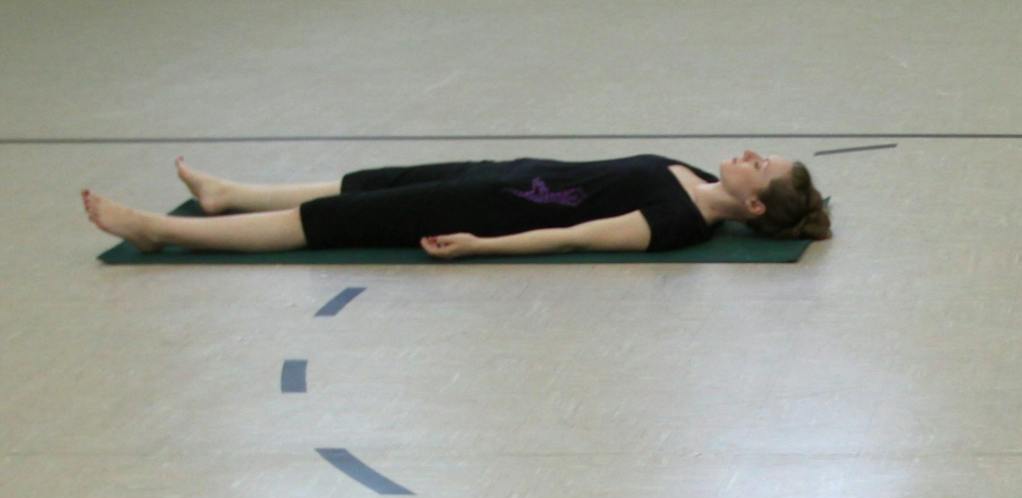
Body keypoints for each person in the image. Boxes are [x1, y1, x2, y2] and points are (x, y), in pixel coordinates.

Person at [82, 150, 829, 257]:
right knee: (374, 183)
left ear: (754, 208)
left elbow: (577, 236)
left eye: (761, 168)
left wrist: (483, 244)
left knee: (336, 224)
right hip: (499, 173)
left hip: (499, 209)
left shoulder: (679, 221)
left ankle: (154, 231)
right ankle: (227, 194)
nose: (751, 156)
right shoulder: (693, 175)